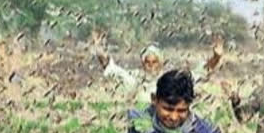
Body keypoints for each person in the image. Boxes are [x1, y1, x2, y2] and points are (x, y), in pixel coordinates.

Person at [94, 33, 224, 105]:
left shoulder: (170, 80)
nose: (150, 65)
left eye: (154, 62)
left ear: (160, 63)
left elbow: (199, 73)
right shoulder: (136, 79)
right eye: (147, 62)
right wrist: (99, 51)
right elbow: (113, 69)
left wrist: (216, 57)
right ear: (143, 63)